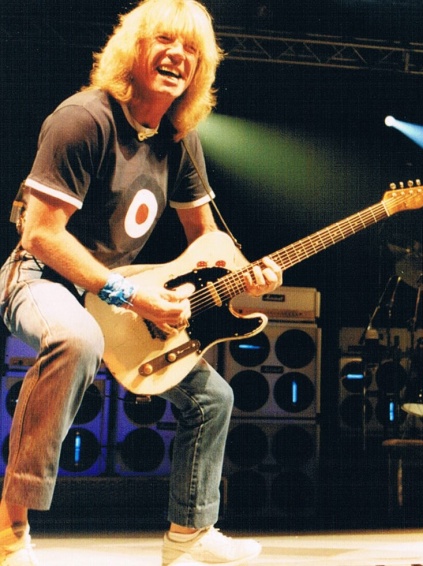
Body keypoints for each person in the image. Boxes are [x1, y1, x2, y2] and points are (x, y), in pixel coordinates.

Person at [0, 1, 282, 565]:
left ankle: (189, 534)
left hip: (115, 296)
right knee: (76, 338)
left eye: (191, 48)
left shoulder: (180, 138)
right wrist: (131, 294)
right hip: (40, 277)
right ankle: (10, 528)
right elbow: (41, 234)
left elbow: (206, 237)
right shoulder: (83, 118)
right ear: (134, 49)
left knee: (213, 397)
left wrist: (246, 274)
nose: (178, 54)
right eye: (165, 40)